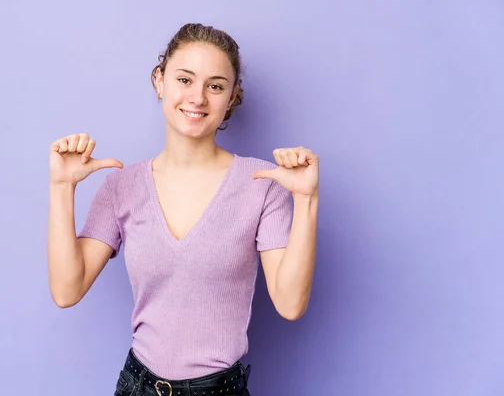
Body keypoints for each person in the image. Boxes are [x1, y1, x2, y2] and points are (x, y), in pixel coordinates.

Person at [47, 23, 319, 396]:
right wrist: (62, 187)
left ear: (232, 97)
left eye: (216, 86)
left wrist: (306, 199)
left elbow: (290, 304)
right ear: (160, 81)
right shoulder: (121, 186)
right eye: (185, 79)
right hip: (138, 386)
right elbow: (66, 290)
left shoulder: (263, 185)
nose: (198, 97)